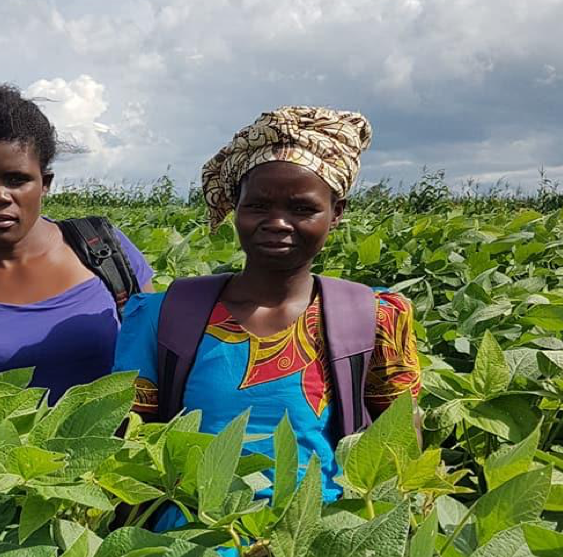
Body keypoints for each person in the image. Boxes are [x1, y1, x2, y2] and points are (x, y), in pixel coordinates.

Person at [113, 106, 421, 505]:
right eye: (258, 205)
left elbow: (402, 440)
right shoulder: (165, 315)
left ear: (337, 214)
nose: (277, 222)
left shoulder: (374, 318)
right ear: (236, 208)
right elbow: (129, 438)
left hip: (315, 545)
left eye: (302, 208)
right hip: (191, 540)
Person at [0, 79, 153, 400]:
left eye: (17, 179)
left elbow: (154, 363)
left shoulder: (104, 250)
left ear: (45, 183)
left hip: (120, 450)